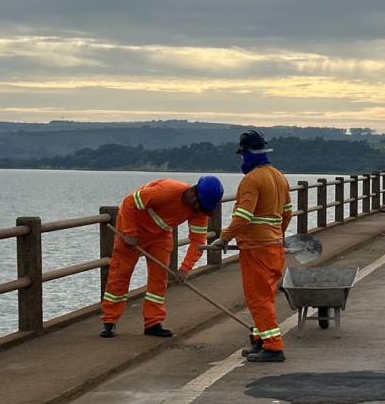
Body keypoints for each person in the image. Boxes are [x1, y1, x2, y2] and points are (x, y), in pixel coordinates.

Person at [100, 175, 224, 338]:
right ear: (194, 194)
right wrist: (130, 232)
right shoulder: (167, 190)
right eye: (200, 206)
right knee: (120, 275)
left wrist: (185, 269)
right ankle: (110, 321)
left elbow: (198, 242)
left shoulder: (199, 211)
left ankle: (153, 322)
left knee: (159, 279)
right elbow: (130, 202)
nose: (199, 211)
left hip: (160, 235)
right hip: (132, 231)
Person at [211, 130, 293, 363]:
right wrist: (278, 234)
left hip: (257, 248)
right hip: (274, 246)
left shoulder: (252, 180)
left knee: (258, 298)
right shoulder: (278, 176)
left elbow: (243, 216)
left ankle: (274, 346)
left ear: (247, 154)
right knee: (265, 296)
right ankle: (260, 339)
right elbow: (287, 213)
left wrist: (224, 238)